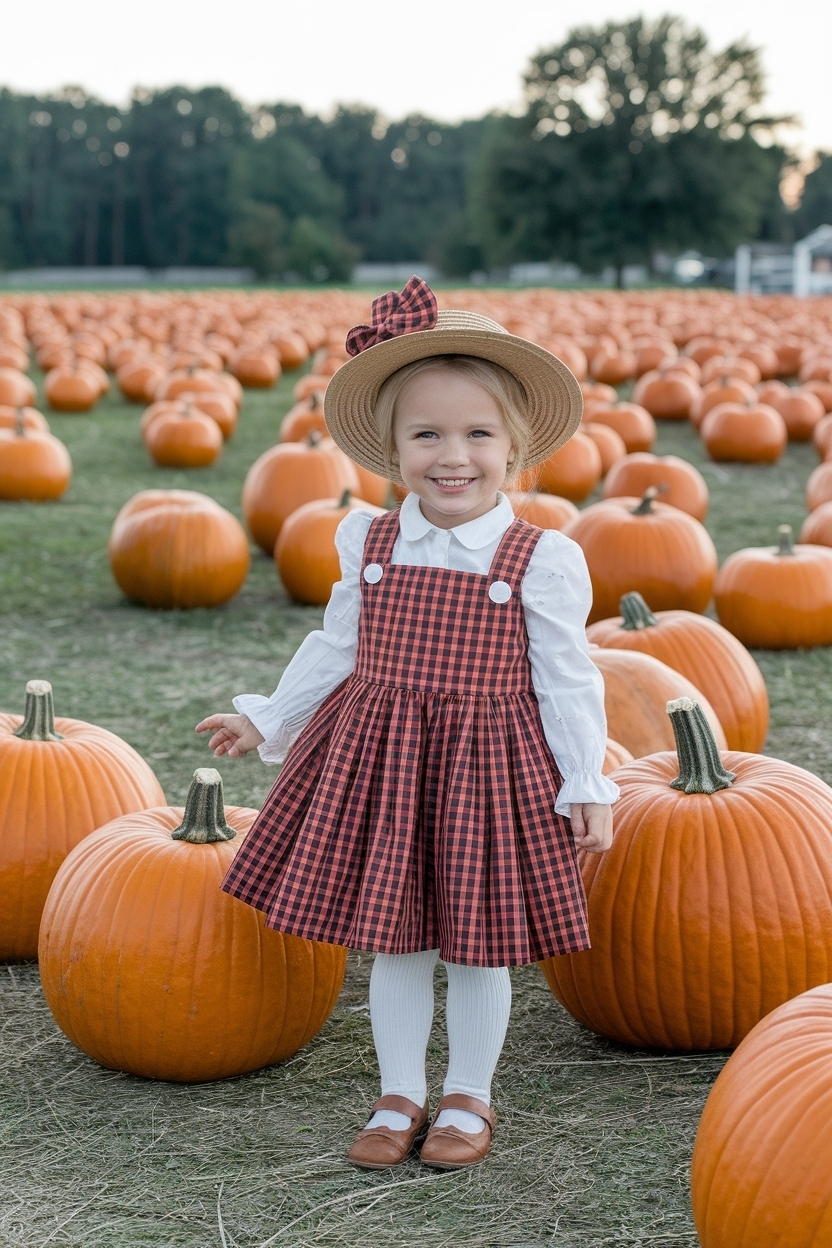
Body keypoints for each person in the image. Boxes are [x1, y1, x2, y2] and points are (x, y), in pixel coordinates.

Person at [196, 277, 618, 1172]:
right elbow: (337, 644)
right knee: (395, 936)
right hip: (384, 763)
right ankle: (398, 1091)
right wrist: (267, 716)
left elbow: (568, 678)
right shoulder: (369, 540)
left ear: (516, 446)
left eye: (477, 435)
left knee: (476, 944)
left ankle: (469, 1094)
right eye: (426, 435)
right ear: (391, 448)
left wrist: (586, 781)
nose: (451, 456)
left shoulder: (541, 558)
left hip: (489, 771)